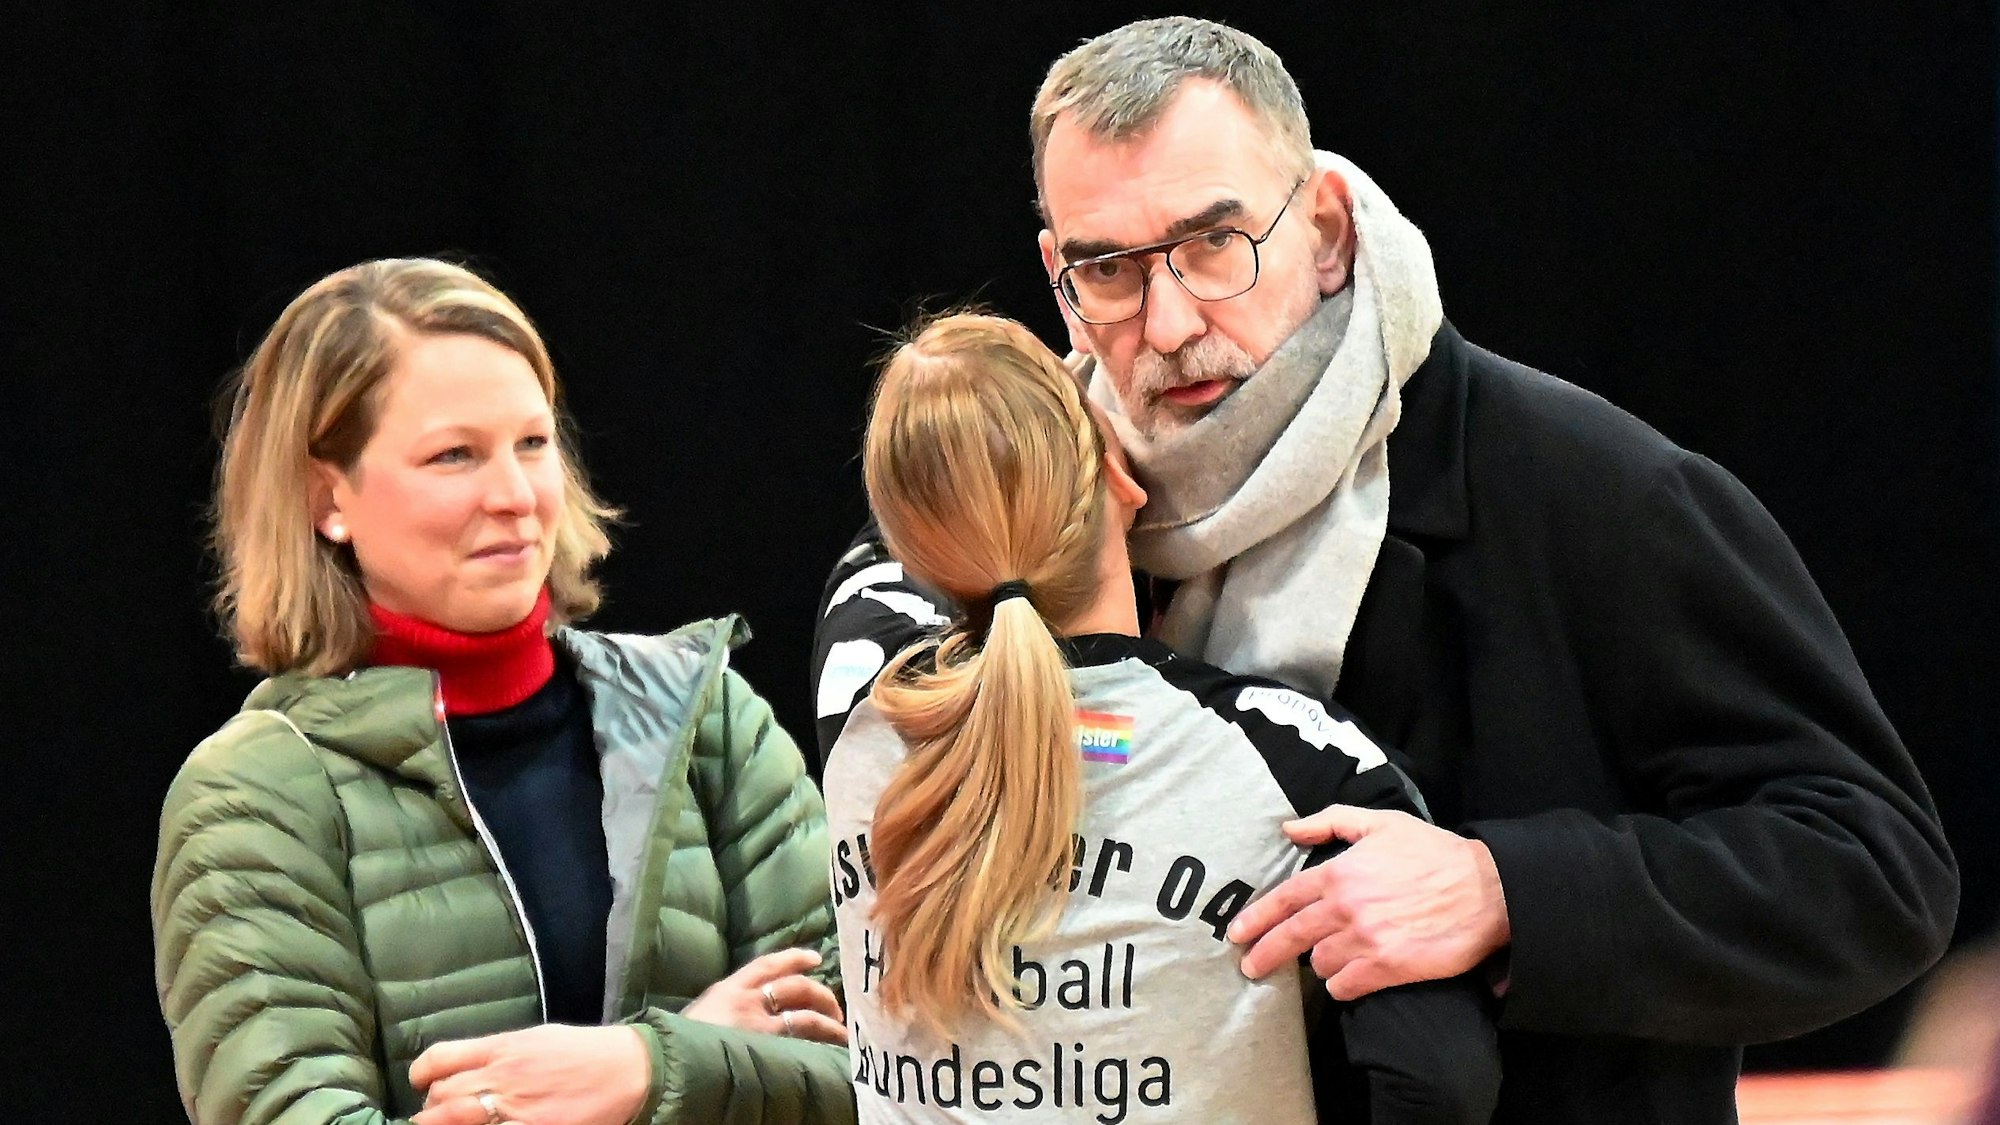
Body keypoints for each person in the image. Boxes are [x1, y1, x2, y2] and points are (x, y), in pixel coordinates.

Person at [813, 18, 1959, 1124]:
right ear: (1054, 269)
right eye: (1108, 267)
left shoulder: (1593, 493)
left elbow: (1874, 869)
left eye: (1213, 243)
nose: (1163, 323)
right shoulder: (1019, 493)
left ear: (1322, 225)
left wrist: (1505, 893)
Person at [154, 258, 855, 1125]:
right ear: (326, 496)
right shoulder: (252, 797)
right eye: (455, 455)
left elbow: (879, 1072)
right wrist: (688, 1060)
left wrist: (646, 1065)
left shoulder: (706, 716)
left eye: (532, 444)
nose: (516, 495)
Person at [826, 311, 1497, 1124]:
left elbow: (901, 529)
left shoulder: (863, 711)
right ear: (1119, 473)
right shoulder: (1301, 767)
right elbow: (1439, 1080)